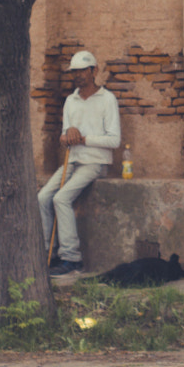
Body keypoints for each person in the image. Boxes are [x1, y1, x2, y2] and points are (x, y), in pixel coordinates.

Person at [38, 49, 121, 277]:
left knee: (61, 198)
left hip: (96, 162)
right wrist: (67, 135)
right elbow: (65, 138)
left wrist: (83, 138)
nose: (78, 75)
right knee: (43, 197)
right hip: (72, 160)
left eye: (83, 70)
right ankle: (47, 254)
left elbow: (114, 140)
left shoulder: (107, 99)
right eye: (75, 72)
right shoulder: (70, 101)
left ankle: (72, 258)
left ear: (94, 71)